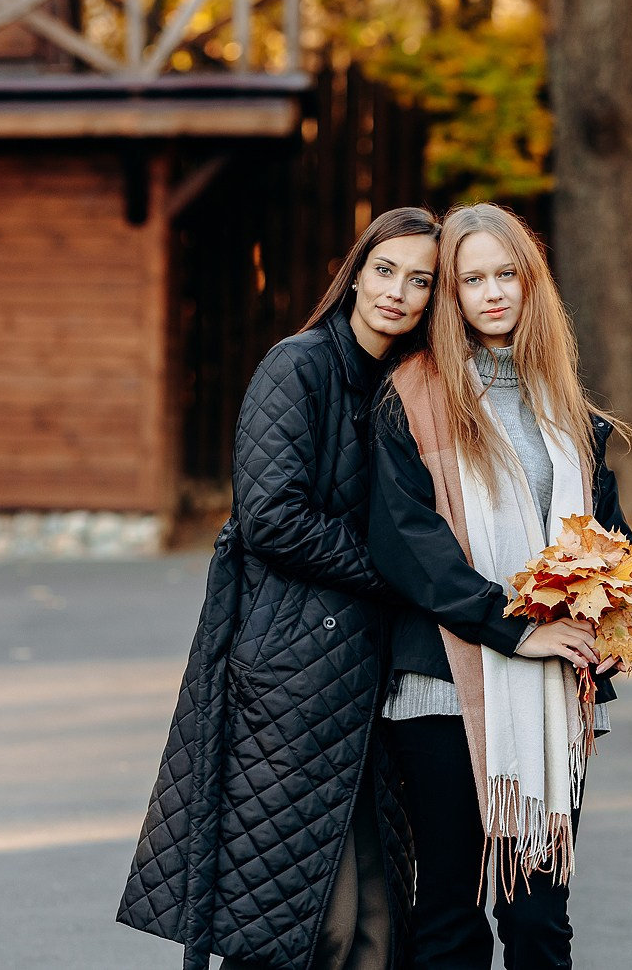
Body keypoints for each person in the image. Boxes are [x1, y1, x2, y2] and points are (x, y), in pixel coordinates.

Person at [119, 208, 441, 970]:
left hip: (376, 678)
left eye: (419, 280)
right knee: (307, 925)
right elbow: (271, 517)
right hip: (292, 675)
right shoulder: (297, 367)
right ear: (355, 274)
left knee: (377, 926)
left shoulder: (412, 386)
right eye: (385, 270)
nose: (396, 292)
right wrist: (401, 575)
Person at [367, 202, 629, 970]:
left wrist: (612, 622)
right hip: (441, 688)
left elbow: (603, 534)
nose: (492, 293)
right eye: (471, 279)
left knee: (539, 918)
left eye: (505, 274)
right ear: (449, 295)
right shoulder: (409, 396)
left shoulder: (564, 403)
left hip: (554, 695)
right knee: (450, 916)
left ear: (530, 281)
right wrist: (517, 629)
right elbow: (410, 546)